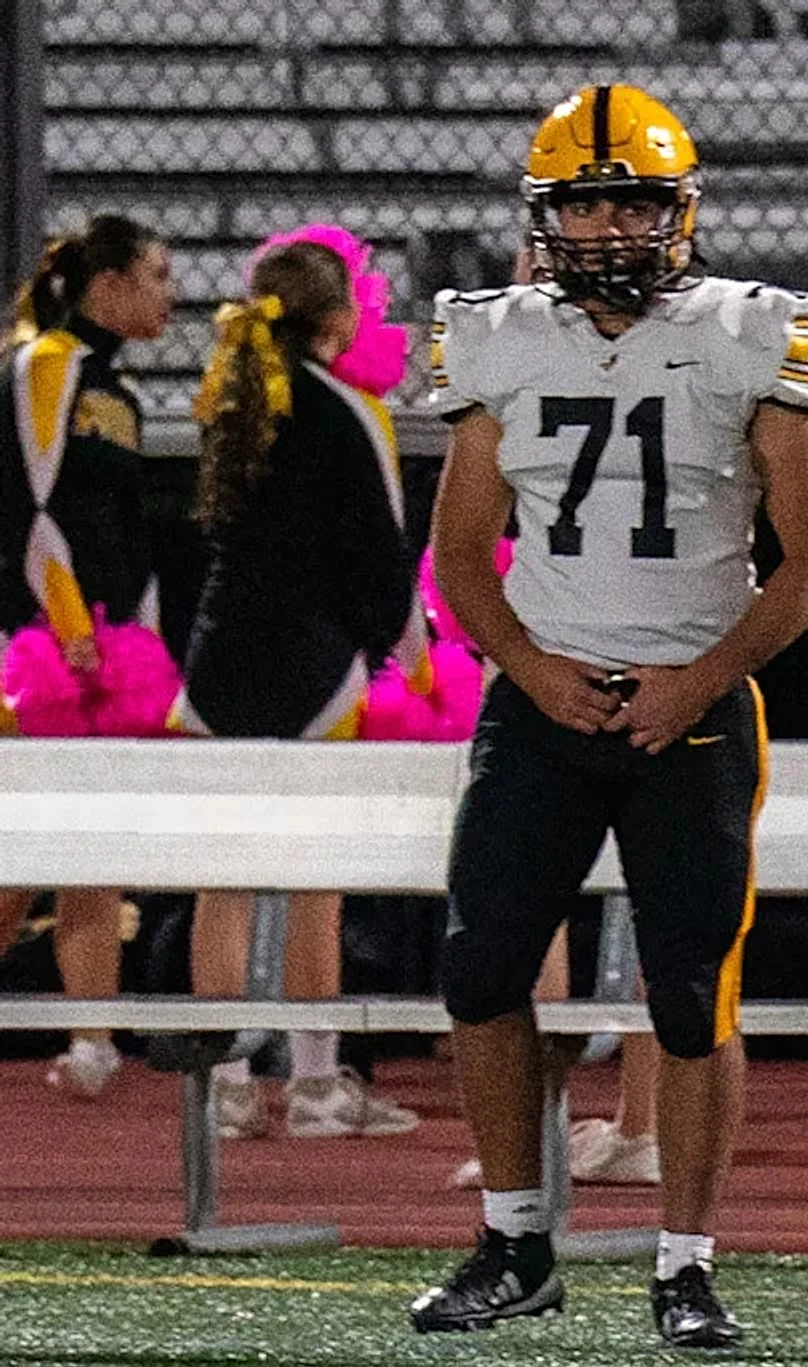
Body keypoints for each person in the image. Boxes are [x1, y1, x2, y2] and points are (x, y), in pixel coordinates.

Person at [407, 83, 808, 1350]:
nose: (608, 227)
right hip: (542, 702)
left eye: (633, 201)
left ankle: (686, 1262)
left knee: (692, 993)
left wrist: (704, 675)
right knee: (480, 971)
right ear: (545, 217)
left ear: (682, 209)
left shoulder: (758, 331)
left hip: (690, 712)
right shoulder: (497, 337)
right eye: (586, 203)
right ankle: (513, 1239)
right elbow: (461, 552)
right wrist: (529, 664)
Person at [170, 236, 424, 1139]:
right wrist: (408, 658)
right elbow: (382, 559)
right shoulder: (353, 410)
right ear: (339, 318)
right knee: (317, 882)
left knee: (223, 883)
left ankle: (227, 1086)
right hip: (316, 668)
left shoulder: (232, 401)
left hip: (218, 665)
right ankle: (316, 1086)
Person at [0, 215, 177, 1101]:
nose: (170, 293)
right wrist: (67, 626)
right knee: (20, 851)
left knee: (89, 842)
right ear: (107, 284)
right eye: (156, 274)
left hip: (104, 648)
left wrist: (137, 637)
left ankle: (93, 1039)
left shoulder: (118, 389)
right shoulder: (48, 364)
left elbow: (122, 530)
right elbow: (29, 507)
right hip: (40, 646)